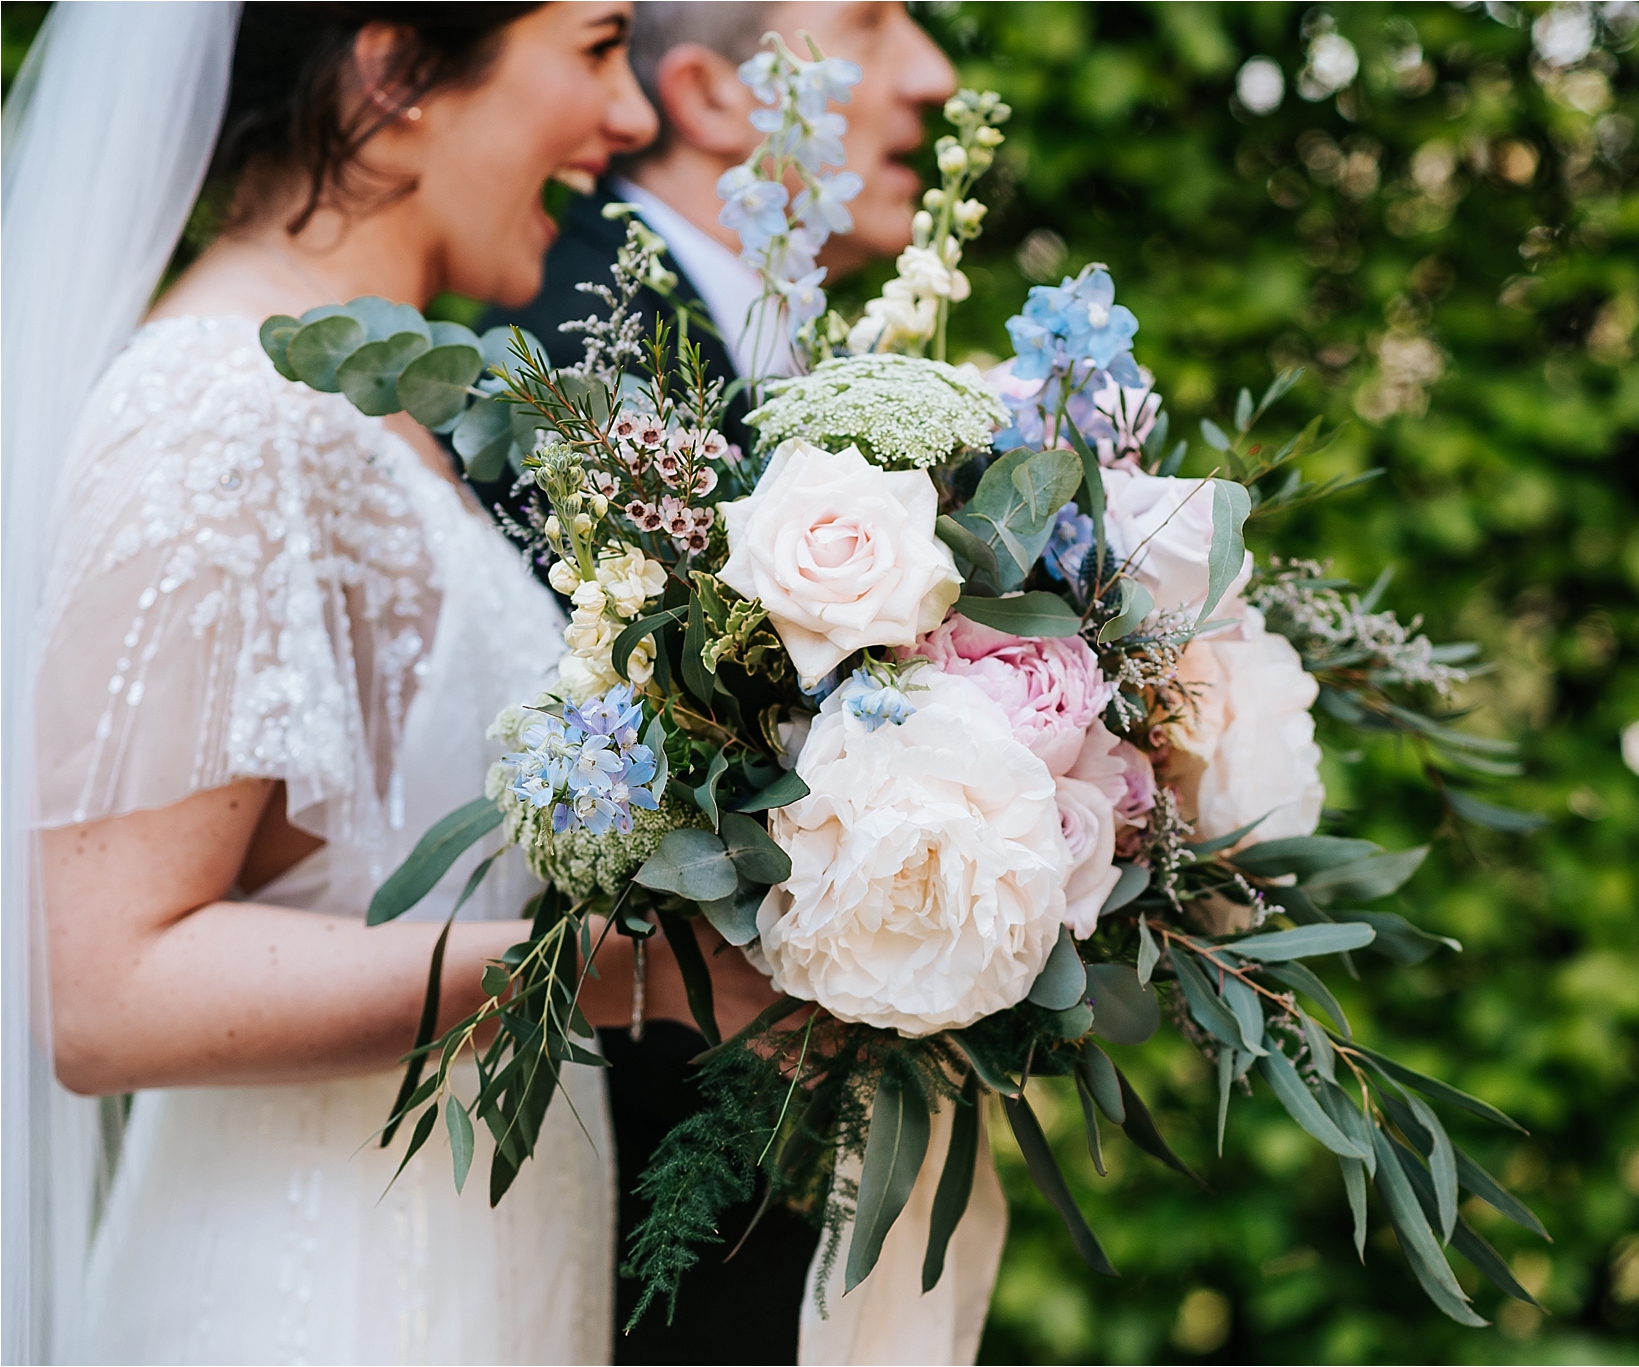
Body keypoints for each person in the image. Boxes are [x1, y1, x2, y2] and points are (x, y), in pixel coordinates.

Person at [3, 4, 687, 1362]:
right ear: (395, 77)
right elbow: (108, 985)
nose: (633, 118)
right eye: (599, 45)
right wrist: (619, 973)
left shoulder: (367, 413)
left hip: (475, 1272)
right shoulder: (216, 409)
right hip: (313, 1296)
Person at [476, 7, 960, 1365]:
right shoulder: (569, 345)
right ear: (705, 94)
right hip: (627, 1206)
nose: (928, 72)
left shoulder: (799, 363)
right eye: (869, 19)